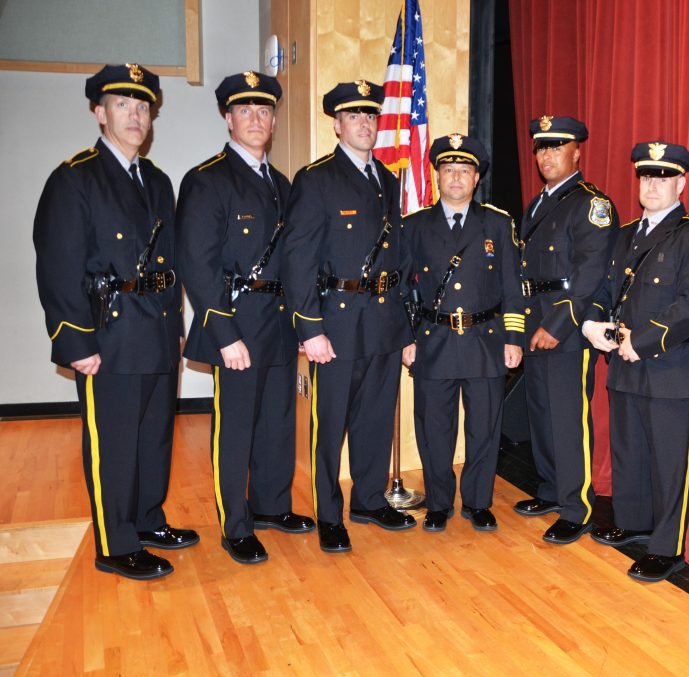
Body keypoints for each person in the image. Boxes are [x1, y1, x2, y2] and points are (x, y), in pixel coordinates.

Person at [33, 64, 197, 580]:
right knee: (114, 442)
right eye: (123, 105)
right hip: (107, 335)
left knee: (154, 439)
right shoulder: (75, 177)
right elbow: (58, 267)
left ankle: (147, 520)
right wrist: (75, 340)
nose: (135, 115)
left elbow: (168, 264)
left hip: (155, 333)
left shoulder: (157, 180)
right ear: (98, 112)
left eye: (143, 106)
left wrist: (176, 325)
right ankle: (115, 541)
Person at [177, 71, 314, 565]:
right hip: (236, 320)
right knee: (235, 426)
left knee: (277, 421)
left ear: (274, 120)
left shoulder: (281, 185)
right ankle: (235, 524)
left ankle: (272, 507)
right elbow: (198, 263)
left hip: (277, 321)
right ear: (228, 118)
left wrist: (301, 324)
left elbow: (296, 261)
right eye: (245, 111)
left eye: (264, 112)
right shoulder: (207, 179)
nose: (256, 119)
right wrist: (224, 333)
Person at [281, 80, 416, 552]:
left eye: (371, 116)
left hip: (382, 322)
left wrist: (404, 328)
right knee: (329, 423)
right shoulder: (316, 180)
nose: (365, 123)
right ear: (336, 124)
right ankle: (329, 513)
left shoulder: (389, 181)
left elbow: (396, 261)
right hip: (335, 324)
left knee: (376, 418)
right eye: (354, 116)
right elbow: (297, 259)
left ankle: (369, 499)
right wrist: (309, 327)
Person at [583, 141, 689, 581]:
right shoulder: (625, 235)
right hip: (624, 364)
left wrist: (639, 343)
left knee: (668, 462)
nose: (652, 186)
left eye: (663, 178)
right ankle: (634, 521)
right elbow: (606, 290)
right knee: (629, 452)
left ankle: (668, 545)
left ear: (681, 183)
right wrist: (591, 323)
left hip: (668, 369)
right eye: (646, 177)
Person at [401, 134, 525, 533]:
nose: (456, 178)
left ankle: (477, 501)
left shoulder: (498, 224)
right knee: (435, 429)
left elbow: (512, 286)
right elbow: (402, 288)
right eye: (448, 170)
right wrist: (406, 338)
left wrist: (514, 338)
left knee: (484, 428)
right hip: (433, 343)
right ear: (437, 176)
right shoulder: (415, 226)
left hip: (485, 342)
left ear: (476, 179)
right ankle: (439, 503)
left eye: (464, 171)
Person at [514, 115, 618, 544]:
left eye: (557, 147)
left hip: (567, 325)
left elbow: (591, 272)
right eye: (541, 148)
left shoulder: (591, 203)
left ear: (577, 152)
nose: (547, 155)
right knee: (540, 411)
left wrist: (559, 324)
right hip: (536, 317)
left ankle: (577, 507)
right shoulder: (537, 203)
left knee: (567, 416)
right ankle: (552, 489)